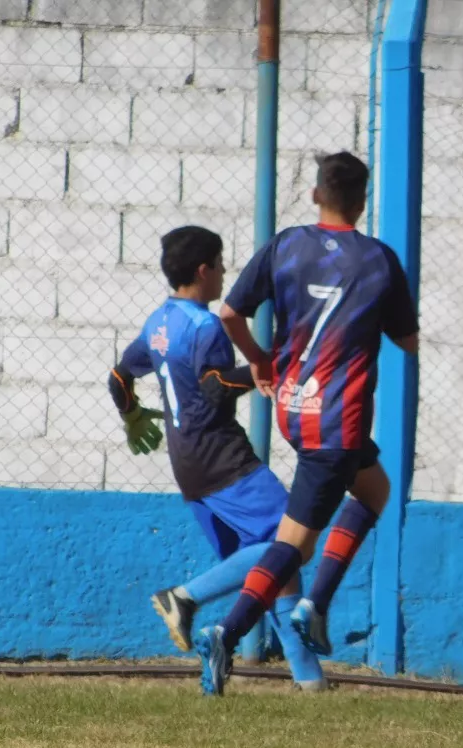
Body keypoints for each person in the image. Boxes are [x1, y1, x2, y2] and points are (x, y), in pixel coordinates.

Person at [193, 151, 419, 696]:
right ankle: (228, 629)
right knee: (295, 543)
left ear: (317, 194)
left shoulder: (287, 244)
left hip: (296, 406)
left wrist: (263, 361)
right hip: (336, 420)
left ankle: (313, 606)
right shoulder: (379, 261)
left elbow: (228, 314)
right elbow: (407, 341)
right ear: (363, 201)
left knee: (374, 488)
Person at [108, 225, 325, 692]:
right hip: (225, 462)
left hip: (188, 469)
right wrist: (260, 371)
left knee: (266, 573)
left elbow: (119, 379)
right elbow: (214, 386)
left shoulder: (158, 322)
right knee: (289, 545)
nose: (227, 272)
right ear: (204, 271)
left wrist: (132, 418)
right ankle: (185, 598)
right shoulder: (205, 326)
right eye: (222, 264)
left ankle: (308, 683)